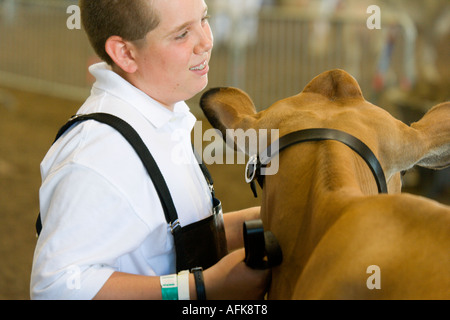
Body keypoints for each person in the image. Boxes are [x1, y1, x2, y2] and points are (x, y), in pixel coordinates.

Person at [30, 0, 270, 300]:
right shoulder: (97, 154)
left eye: (204, 18)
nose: (207, 41)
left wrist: (275, 217)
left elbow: (165, 240)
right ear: (125, 52)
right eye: (182, 34)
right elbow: (57, 287)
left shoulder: (160, 114)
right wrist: (200, 287)